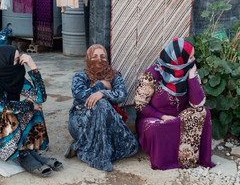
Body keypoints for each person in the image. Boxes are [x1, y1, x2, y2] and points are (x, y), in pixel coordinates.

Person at [0, 45, 62, 177]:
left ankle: (31, 150)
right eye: (15, 60)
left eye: (19, 60)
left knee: (33, 104)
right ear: (3, 62)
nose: (18, 64)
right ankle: (24, 155)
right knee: (10, 112)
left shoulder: (15, 79)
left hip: (12, 136)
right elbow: (5, 107)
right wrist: (30, 106)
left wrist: (32, 66)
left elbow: (40, 97)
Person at [134, 38, 215, 170]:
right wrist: (162, 117)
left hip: (179, 117)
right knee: (159, 127)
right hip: (155, 118)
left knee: (203, 112)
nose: (194, 60)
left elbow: (197, 103)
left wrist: (192, 77)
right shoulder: (152, 74)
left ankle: (190, 158)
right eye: (191, 57)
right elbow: (140, 106)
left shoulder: (188, 71)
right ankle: (167, 160)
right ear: (179, 59)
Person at [67, 44, 139, 171]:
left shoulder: (115, 76)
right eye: (94, 56)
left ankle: (80, 146)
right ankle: (101, 156)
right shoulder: (80, 76)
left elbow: (122, 95)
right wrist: (101, 85)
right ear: (88, 58)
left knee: (131, 147)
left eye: (102, 56)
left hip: (108, 122)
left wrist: (102, 93)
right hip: (81, 123)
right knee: (101, 104)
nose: (99, 59)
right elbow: (79, 96)